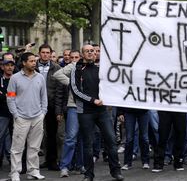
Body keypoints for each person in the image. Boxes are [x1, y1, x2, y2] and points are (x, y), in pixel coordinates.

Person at [71, 45, 123, 181]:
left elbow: (111, 85)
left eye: (92, 51)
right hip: (85, 112)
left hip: (102, 111)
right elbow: (75, 91)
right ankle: (88, 175)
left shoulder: (101, 69)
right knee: (88, 144)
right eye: (87, 51)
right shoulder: (76, 69)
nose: (90, 53)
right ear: (82, 54)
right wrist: (93, 100)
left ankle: (116, 171)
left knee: (111, 140)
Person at [7, 52, 47, 181]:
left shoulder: (40, 77)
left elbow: (44, 96)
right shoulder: (15, 78)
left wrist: (43, 113)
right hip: (21, 118)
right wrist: (16, 115)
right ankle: (15, 172)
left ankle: (33, 171)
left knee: (34, 147)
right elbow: (11, 98)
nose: (34, 63)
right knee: (17, 148)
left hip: (37, 117)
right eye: (31, 61)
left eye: (34, 61)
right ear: (24, 63)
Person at [54, 49, 83, 177]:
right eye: (73, 57)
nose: (75, 59)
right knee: (70, 137)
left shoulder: (87, 67)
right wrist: (72, 84)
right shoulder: (72, 66)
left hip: (88, 107)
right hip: (73, 106)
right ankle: (64, 166)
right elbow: (57, 74)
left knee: (83, 138)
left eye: (77, 57)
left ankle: (80, 165)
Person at [37, 44, 61, 171]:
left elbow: (58, 91)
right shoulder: (33, 66)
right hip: (35, 105)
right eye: (43, 52)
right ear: (39, 53)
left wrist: (58, 110)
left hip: (51, 105)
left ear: (50, 54)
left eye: (47, 53)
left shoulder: (56, 68)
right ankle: (34, 162)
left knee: (52, 134)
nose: (45, 55)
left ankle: (52, 161)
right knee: (36, 135)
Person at [0, 57, 15, 169]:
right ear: (2, 67)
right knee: (1, 136)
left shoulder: (17, 79)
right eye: (7, 65)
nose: (10, 67)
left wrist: (6, 95)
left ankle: (13, 160)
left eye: (12, 65)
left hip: (16, 113)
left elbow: (17, 95)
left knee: (16, 137)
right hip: (2, 113)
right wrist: (9, 95)